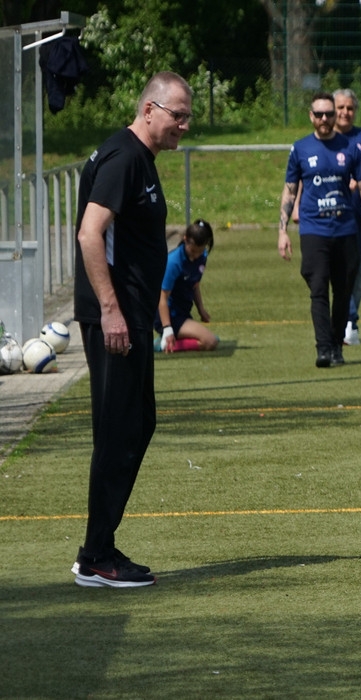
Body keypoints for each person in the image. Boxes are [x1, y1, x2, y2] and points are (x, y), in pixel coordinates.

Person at [72, 71, 192, 588]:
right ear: (149, 109)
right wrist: (111, 310)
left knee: (137, 424)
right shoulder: (123, 158)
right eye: (177, 115)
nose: (184, 126)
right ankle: (96, 555)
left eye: (188, 117)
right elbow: (89, 233)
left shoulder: (140, 158)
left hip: (133, 316)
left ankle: (100, 546)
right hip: (116, 320)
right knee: (119, 431)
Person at [278, 91, 361, 368]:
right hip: (314, 230)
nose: (325, 118)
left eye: (329, 113)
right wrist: (282, 230)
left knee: (343, 290)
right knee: (318, 290)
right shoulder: (300, 149)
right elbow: (290, 191)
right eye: (319, 114)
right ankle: (323, 348)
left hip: (346, 229)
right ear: (311, 116)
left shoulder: (349, 147)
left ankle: (337, 345)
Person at [155, 219, 219, 353]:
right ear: (185, 240)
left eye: (199, 252)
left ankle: (171, 341)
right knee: (210, 342)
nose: (196, 256)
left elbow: (194, 285)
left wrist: (201, 310)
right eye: (193, 251)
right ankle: (163, 344)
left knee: (210, 339)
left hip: (182, 313)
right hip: (168, 315)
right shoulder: (174, 262)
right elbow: (162, 298)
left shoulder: (202, 257)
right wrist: (167, 328)